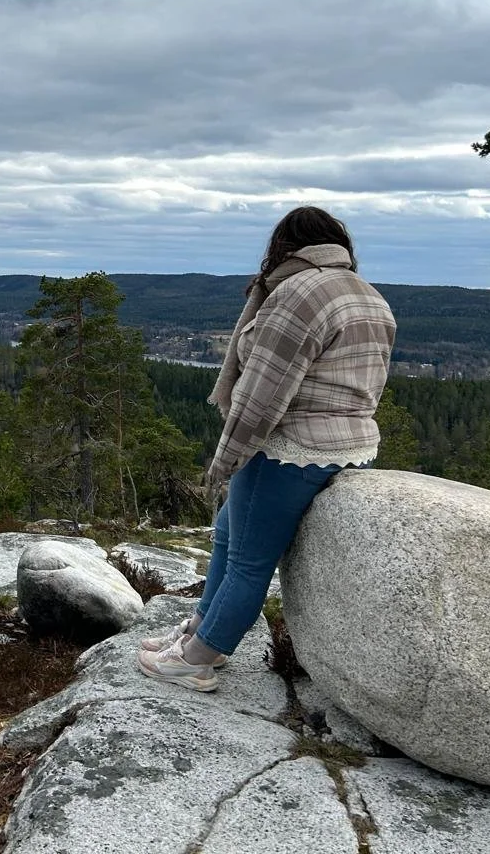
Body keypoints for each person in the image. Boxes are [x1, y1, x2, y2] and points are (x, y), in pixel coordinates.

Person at [137, 206, 396, 691]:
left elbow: (262, 393)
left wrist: (226, 458)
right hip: (350, 446)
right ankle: (201, 629)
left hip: (289, 448)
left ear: (285, 246)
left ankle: (198, 658)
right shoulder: (368, 295)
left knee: (249, 562)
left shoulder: (298, 294)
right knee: (226, 531)